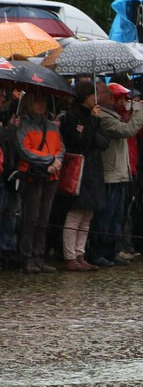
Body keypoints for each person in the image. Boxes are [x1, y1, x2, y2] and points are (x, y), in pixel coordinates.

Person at [91, 83, 143, 268]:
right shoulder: (102, 116)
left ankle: (111, 251)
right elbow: (125, 131)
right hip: (110, 173)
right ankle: (99, 252)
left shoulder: (112, 115)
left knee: (116, 216)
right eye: (107, 95)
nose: (112, 99)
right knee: (106, 216)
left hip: (120, 172)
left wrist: (135, 114)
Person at [58, 82, 108, 271]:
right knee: (75, 213)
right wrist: (92, 125)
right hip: (79, 168)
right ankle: (69, 255)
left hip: (93, 168)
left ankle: (80, 252)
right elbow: (81, 142)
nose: (96, 98)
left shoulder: (95, 117)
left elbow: (104, 142)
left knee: (88, 214)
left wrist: (95, 125)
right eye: (92, 94)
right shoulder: (72, 117)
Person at [16, 92, 65, 273]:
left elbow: (60, 147)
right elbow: (24, 149)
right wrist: (49, 161)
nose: (41, 105)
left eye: (43, 102)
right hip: (33, 175)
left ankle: (39, 255)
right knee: (31, 217)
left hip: (51, 176)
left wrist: (56, 161)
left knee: (44, 218)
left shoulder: (52, 126)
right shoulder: (23, 126)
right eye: (37, 101)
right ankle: (27, 257)